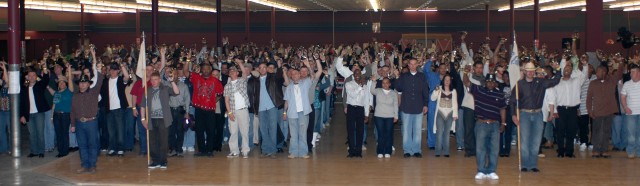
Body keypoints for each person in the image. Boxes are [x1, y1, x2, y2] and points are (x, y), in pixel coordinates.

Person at [511, 62, 561, 172]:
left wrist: (557, 69)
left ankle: (533, 165)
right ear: (524, 71)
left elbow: (555, 81)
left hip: (538, 114)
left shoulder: (541, 82)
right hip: (524, 114)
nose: (530, 72)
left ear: (534, 71)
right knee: (524, 141)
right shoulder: (519, 84)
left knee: (536, 141)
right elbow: (513, 101)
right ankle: (525, 165)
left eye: (532, 70)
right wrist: (513, 115)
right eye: (528, 70)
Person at [464, 73, 506, 180]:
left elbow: (502, 109)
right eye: (488, 81)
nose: (490, 83)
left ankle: (491, 170)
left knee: (494, 149)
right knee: (480, 148)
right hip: (481, 123)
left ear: (495, 83)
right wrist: (465, 72)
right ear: (485, 82)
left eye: (492, 82)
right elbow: (467, 82)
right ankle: (481, 170)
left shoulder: (500, 94)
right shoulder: (479, 90)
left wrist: (503, 123)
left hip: (495, 124)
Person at [183, 60, 223, 157]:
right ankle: (201, 150)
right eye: (204, 69)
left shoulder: (216, 81)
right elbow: (185, 72)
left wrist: (213, 101)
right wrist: (188, 60)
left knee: (210, 130)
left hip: (210, 110)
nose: (205, 70)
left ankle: (209, 150)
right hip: (199, 109)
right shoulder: (196, 78)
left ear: (210, 69)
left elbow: (220, 94)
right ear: (201, 69)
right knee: (199, 130)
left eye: (207, 68)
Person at [140, 71, 180, 169]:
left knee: (163, 141)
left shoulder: (165, 89)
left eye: (156, 79)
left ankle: (163, 161)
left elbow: (177, 92)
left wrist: (172, 82)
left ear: (160, 80)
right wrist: (142, 118)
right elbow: (142, 106)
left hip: (163, 118)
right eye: (152, 80)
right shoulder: (147, 90)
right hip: (151, 119)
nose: (153, 81)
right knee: (152, 141)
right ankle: (155, 161)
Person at [246, 62, 285, 158]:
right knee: (263, 129)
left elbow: (280, 76)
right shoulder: (255, 80)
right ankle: (265, 150)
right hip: (260, 108)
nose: (263, 69)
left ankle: (273, 150)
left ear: (267, 69)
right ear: (258, 69)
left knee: (272, 129)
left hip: (272, 106)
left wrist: (279, 66)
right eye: (261, 68)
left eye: (264, 67)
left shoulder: (272, 77)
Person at [553, 54, 588, 158]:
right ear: (563, 70)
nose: (567, 70)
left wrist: (585, 65)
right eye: (565, 68)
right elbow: (554, 97)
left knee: (571, 131)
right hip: (561, 109)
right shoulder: (557, 81)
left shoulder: (577, 81)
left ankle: (569, 151)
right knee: (560, 131)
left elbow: (584, 75)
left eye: (569, 68)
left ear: (572, 71)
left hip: (573, 110)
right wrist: (563, 60)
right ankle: (560, 151)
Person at [71, 67, 105, 174]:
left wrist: (98, 67)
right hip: (79, 123)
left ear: (88, 84)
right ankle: (85, 165)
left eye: (85, 82)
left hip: (91, 122)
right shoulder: (75, 96)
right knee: (82, 145)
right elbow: (72, 111)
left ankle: (92, 165)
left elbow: (100, 80)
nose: (82, 84)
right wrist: (73, 124)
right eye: (81, 83)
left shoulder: (94, 92)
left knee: (92, 144)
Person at [587, 63, 624, 158]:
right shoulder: (593, 83)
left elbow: (619, 74)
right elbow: (588, 98)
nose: (596, 73)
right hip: (597, 112)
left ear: (604, 72)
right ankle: (596, 150)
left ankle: (604, 150)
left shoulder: (611, 81)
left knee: (606, 131)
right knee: (597, 131)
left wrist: (620, 64)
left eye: (598, 72)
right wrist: (589, 110)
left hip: (609, 111)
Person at [395, 58, 429, 158]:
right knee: (406, 131)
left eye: (415, 64)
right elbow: (398, 88)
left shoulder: (422, 76)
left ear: (417, 65)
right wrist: (397, 77)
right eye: (411, 64)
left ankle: (417, 150)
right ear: (408, 65)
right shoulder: (403, 76)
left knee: (418, 130)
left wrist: (426, 104)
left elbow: (425, 91)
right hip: (406, 107)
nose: (413, 66)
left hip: (418, 107)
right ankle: (407, 150)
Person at [100, 61, 132, 157]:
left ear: (118, 71)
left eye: (115, 70)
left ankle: (120, 148)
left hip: (119, 108)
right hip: (109, 109)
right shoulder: (105, 81)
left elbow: (127, 77)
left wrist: (122, 66)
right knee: (111, 130)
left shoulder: (120, 80)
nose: (113, 71)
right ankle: (112, 148)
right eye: (111, 70)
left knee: (120, 129)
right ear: (109, 71)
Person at [20, 66, 51, 158]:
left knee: (40, 133)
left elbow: (45, 79)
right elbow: (22, 103)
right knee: (32, 134)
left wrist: (44, 67)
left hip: (39, 113)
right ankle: (34, 151)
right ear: (27, 77)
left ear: (36, 77)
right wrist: (21, 115)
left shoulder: (39, 86)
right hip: (28, 114)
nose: (32, 77)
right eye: (30, 75)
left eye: (34, 75)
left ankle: (41, 151)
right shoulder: (24, 88)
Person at [224, 59, 251, 158]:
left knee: (244, 131)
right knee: (233, 132)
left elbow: (244, 72)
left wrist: (240, 63)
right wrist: (229, 113)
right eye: (230, 71)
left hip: (243, 110)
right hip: (233, 111)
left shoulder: (242, 80)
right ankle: (234, 151)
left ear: (237, 72)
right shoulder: (227, 86)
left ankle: (245, 151)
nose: (232, 72)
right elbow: (226, 100)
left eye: (233, 71)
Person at [344, 67, 373, 158]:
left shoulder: (365, 86)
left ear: (361, 75)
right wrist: (360, 87)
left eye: (358, 74)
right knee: (351, 129)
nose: (357, 75)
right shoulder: (348, 84)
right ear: (353, 75)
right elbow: (352, 95)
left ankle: (358, 151)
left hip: (360, 109)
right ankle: (351, 150)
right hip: (351, 108)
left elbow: (366, 101)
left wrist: (367, 114)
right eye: (355, 74)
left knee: (360, 130)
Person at [47, 66, 74, 158]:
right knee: (58, 133)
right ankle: (60, 151)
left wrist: (69, 70)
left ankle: (65, 151)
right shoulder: (57, 93)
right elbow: (54, 105)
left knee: (64, 133)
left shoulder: (69, 91)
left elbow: (70, 80)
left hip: (65, 115)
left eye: (63, 82)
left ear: (66, 84)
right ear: (58, 85)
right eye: (60, 83)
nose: (61, 84)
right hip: (56, 115)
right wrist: (51, 116)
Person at [164, 66, 190, 157]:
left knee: (180, 130)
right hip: (170, 110)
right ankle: (172, 149)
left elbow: (187, 99)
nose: (173, 76)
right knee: (171, 131)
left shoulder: (183, 86)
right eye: (172, 74)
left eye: (175, 74)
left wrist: (187, 112)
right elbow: (158, 76)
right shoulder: (166, 85)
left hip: (180, 110)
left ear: (178, 75)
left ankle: (179, 149)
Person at [431, 74, 458, 157]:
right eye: (445, 79)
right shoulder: (439, 88)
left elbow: (455, 103)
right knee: (439, 133)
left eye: (448, 80)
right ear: (443, 80)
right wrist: (436, 91)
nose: (447, 81)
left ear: (450, 81)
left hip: (450, 113)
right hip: (440, 112)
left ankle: (446, 152)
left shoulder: (453, 91)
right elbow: (432, 98)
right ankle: (437, 151)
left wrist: (455, 114)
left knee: (447, 133)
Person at [621, 64, 640, 159]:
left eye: (633, 72)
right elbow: (623, 97)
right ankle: (630, 151)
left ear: (638, 73)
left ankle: (639, 151)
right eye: (631, 72)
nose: (631, 74)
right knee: (631, 135)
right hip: (630, 113)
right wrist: (625, 107)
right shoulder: (626, 84)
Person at [0, 61, 10, 155]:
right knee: (1, 130)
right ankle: (3, 149)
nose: (3, 75)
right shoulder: (2, 84)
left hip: (9, 110)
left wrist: (4, 68)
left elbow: (7, 81)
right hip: (1, 110)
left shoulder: (10, 84)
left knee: (10, 130)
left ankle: (11, 148)